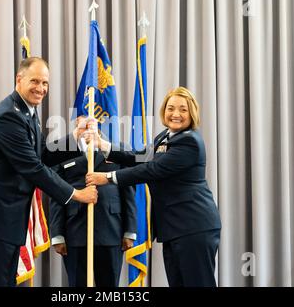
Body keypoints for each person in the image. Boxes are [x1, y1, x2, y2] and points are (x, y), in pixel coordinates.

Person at [0, 57, 97, 287]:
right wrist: (76, 194)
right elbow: (33, 167)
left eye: (45, 83)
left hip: (7, 220)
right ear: (19, 79)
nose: (41, 88)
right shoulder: (8, 116)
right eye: (35, 81)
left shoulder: (28, 112)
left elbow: (41, 153)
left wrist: (75, 136)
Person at [86, 86, 221, 287]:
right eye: (171, 108)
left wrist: (108, 177)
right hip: (175, 229)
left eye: (183, 109)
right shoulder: (165, 137)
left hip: (194, 227)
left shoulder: (190, 142)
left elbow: (151, 170)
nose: (176, 114)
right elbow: (140, 157)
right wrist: (103, 145)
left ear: (192, 113)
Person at [49, 117, 137, 287]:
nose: (88, 127)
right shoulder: (62, 153)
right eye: (83, 124)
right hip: (75, 230)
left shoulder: (118, 150)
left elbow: (128, 191)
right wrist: (57, 235)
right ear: (76, 126)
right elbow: (56, 193)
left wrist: (130, 230)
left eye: (92, 123)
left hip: (111, 229)